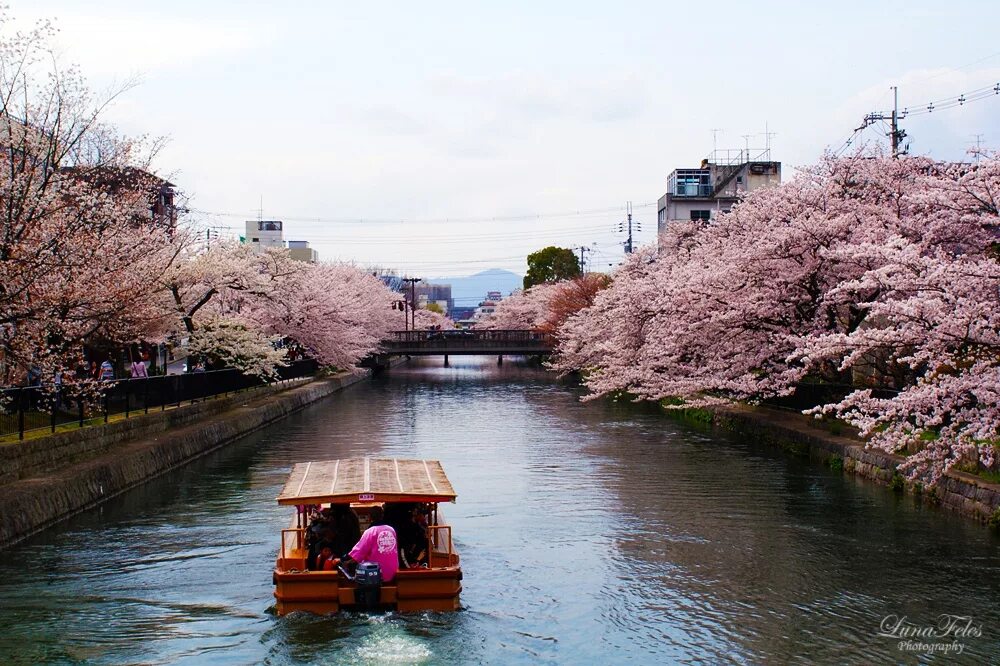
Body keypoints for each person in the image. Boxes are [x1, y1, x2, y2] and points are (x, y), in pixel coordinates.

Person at [341, 506, 398, 583]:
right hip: (393, 572)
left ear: (369, 517)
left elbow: (359, 552)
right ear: (382, 515)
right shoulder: (391, 530)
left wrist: (344, 561)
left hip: (375, 574)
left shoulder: (370, 532)